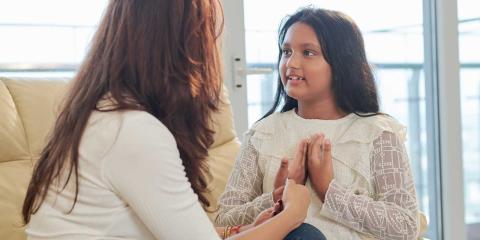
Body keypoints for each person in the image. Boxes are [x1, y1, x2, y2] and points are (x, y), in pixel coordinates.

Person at [21, 1, 313, 239]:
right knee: (303, 235)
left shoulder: (104, 112)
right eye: (211, 38)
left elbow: (180, 228)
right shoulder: (131, 130)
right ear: (183, 46)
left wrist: (244, 229)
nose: (214, 54)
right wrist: (291, 215)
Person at [216, 7, 421, 240]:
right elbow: (224, 220)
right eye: (286, 51)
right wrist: (276, 197)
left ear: (342, 63)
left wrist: (329, 191)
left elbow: (405, 226)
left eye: (308, 53)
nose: (291, 63)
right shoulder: (263, 134)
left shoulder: (378, 133)